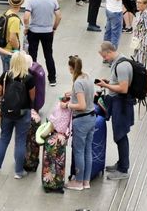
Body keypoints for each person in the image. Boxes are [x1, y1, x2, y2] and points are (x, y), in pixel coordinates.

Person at [0, 52, 37, 177]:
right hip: (23, 113)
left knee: (4, 138)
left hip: (7, 112)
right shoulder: (29, 78)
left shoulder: (6, 75)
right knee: (20, 141)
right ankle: (18, 171)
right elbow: (32, 97)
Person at [96, 42, 135, 180]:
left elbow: (123, 89)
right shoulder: (117, 62)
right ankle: (121, 164)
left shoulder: (122, 66)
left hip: (122, 104)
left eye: (105, 56)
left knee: (121, 135)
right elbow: (119, 83)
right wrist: (110, 82)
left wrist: (106, 85)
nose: (105, 59)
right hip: (118, 103)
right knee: (119, 135)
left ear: (109, 52)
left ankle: (123, 169)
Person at [62, 55, 98, 191]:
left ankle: (78, 182)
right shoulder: (87, 77)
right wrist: (72, 94)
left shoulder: (77, 82)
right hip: (91, 118)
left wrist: (68, 105)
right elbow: (89, 96)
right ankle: (86, 181)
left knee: (78, 151)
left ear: (71, 68)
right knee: (88, 150)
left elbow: (81, 105)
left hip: (81, 120)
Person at [23, 0, 61, 86]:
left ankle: (32, 78)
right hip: (48, 31)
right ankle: (52, 79)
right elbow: (59, 16)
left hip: (34, 31)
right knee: (48, 54)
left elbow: (26, 17)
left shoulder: (31, 0)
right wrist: (54, 28)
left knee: (32, 55)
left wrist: (26, 27)